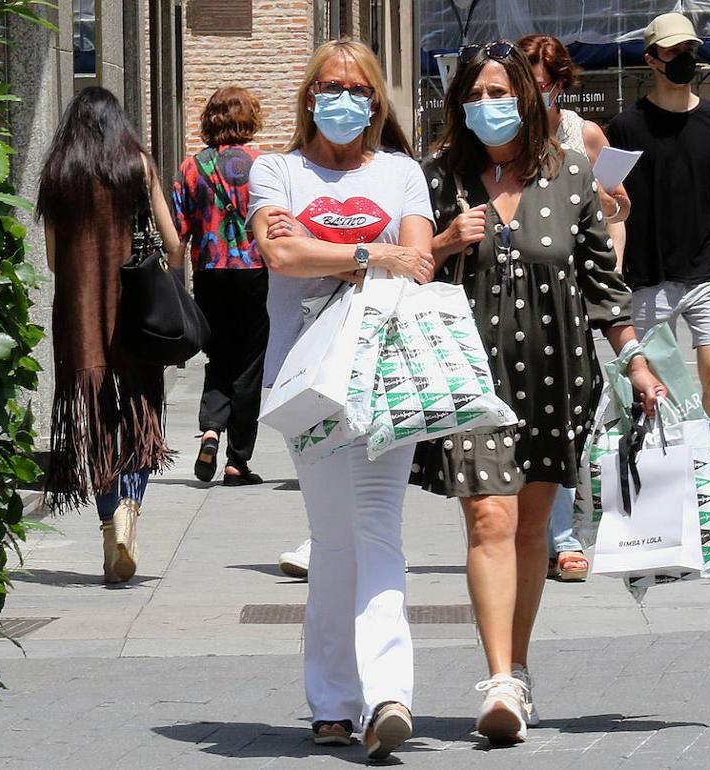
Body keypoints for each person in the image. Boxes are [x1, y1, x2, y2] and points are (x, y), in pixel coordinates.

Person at [416, 40, 665, 746]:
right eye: (477, 96)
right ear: (459, 105)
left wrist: (637, 361)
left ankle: (518, 664)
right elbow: (405, 270)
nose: (489, 108)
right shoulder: (440, 179)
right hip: (468, 379)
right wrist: (440, 244)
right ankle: (498, 678)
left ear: (527, 98)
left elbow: (601, 285)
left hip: (555, 377)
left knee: (531, 530)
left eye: (501, 94)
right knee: (489, 521)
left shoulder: (572, 175)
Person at [246, 39, 433, 761]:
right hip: (305, 379)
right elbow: (282, 256)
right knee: (332, 538)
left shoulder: (401, 173)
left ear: (378, 101)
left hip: (384, 372)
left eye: (357, 87)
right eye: (328, 84)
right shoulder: (277, 170)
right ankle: (332, 700)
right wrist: (373, 253)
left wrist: (336, 249)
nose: (344, 97)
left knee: (380, 528)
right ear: (308, 96)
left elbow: (417, 262)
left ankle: (389, 693)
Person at [606, 12, 710, 522]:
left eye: (690, 48)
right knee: (643, 383)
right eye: (673, 51)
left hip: (708, 270)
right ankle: (649, 479)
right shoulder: (625, 127)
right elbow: (609, 204)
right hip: (646, 274)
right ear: (652, 60)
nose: (685, 58)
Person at [37, 87, 180, 583]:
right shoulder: (138, 165)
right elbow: (174, 243)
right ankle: (128, 508)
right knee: (140, 417)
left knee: (97, 426)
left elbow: (55, 262)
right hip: (134, 313)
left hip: (80, 317)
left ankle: (107, 523)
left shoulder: (59, 173)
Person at [516, 33, 631, 582]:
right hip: (513, 295)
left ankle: (558, 531)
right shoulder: (499, 135)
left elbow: (613, 211)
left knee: (563, 417)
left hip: (572, 292)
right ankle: (542, 533)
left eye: (543, 81)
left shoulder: (582, 135)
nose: (534, 91)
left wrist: (611, 203)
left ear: (560, 83)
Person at [172, 86, 269, 488]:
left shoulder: (190, 168)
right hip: (254, 271)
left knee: (218, 357)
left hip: (210, 271)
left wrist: (174, 280)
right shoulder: (265, 165)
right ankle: (237, 462)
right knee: (248, 365)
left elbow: (178, 231)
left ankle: (211, 428)